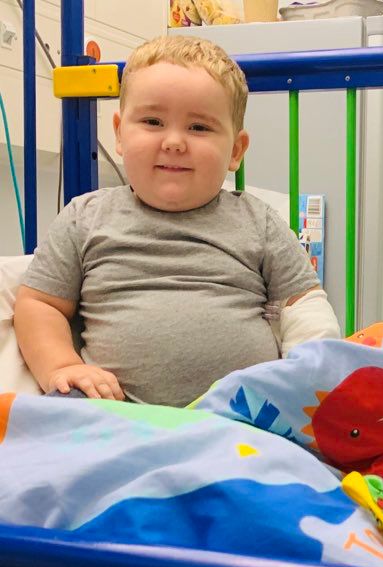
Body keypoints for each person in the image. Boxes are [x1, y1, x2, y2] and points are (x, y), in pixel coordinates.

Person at [13, 35, 340, 407]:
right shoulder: (84, 218)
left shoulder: (258, 220)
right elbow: (40, 304)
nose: (174, 142)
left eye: (199, 128)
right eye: (153, 121)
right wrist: (62, 366)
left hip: (246, 421)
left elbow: (305, 306)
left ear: (235, 150)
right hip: (115, 417)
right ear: (120, 133)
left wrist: (311, 375)